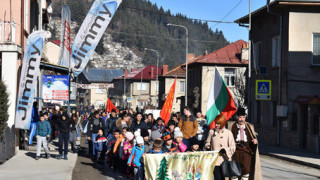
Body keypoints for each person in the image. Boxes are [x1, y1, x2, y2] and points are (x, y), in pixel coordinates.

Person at [230, 108, 262, 180]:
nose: (242, 119)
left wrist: (255, 142)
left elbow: (253, 138)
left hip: (246, 152)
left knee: (246, 171)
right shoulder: (232, 126)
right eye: (240, 117)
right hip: (235, 152)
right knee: (234, 171)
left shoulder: (249, 126)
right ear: (237, 117)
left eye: (243, 117)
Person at [205, 114, 236, 180]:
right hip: (215, 160)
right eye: (216, 123)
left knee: (224, 178)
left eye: (218, 124)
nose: (216, 125)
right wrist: (208, 146)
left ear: (223, 124)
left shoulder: (228, 133)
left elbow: (233, 146)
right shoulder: (211, 132)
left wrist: (225, 150)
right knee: (217, 178)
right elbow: (207, 142)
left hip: (225, 160)